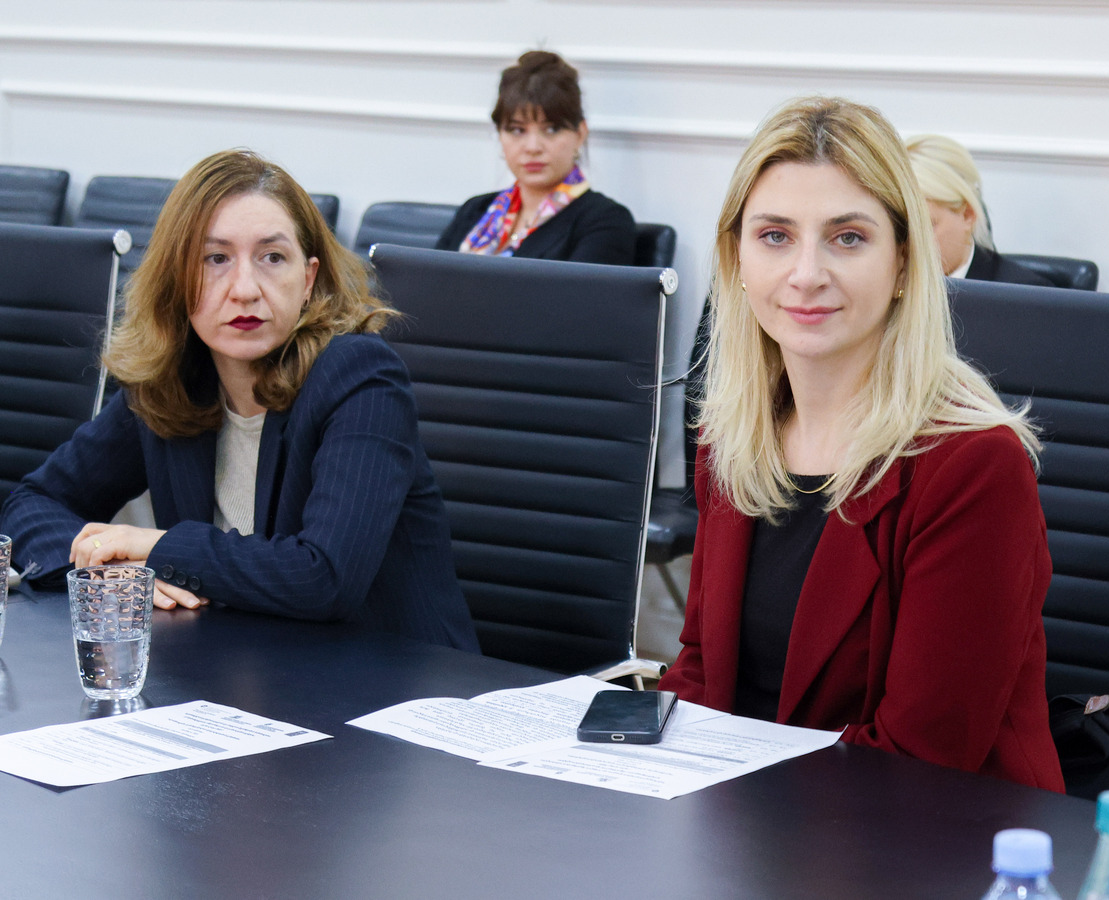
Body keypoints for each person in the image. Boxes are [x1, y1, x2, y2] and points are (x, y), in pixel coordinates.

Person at [658, 97, 1064, 791]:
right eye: (775, 236)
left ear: (904, 263)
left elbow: (917, 759)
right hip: (754, 820)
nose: (806, 273)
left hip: (933, 833)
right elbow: (702, 667)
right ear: (737, 258)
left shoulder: (974, 466)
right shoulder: (730, 440)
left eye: (847, 238)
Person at [0, 149, 479, 651]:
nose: (245, 289)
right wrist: (106, 576)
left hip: (395, 679)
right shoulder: (171, 381)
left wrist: (158, 548)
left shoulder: (360, 376)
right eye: (216, 259)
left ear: (309, 279)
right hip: (243, 670)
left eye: (273, 258)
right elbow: (32, 504)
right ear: (176, 279)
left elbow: (324, 577)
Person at [435, 50, 636, 265]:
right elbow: (428, 279)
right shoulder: (476, 209)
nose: (533, 147)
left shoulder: (604, 221)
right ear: (500, 135)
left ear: (580, 134)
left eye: (551, 129)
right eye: (517, 130)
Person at [905, 133, 1053, 286]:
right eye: (901, 228)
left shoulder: (1024, 293)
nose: (909, 243)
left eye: (925, 227)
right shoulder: (894, 285)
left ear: (967, 215)